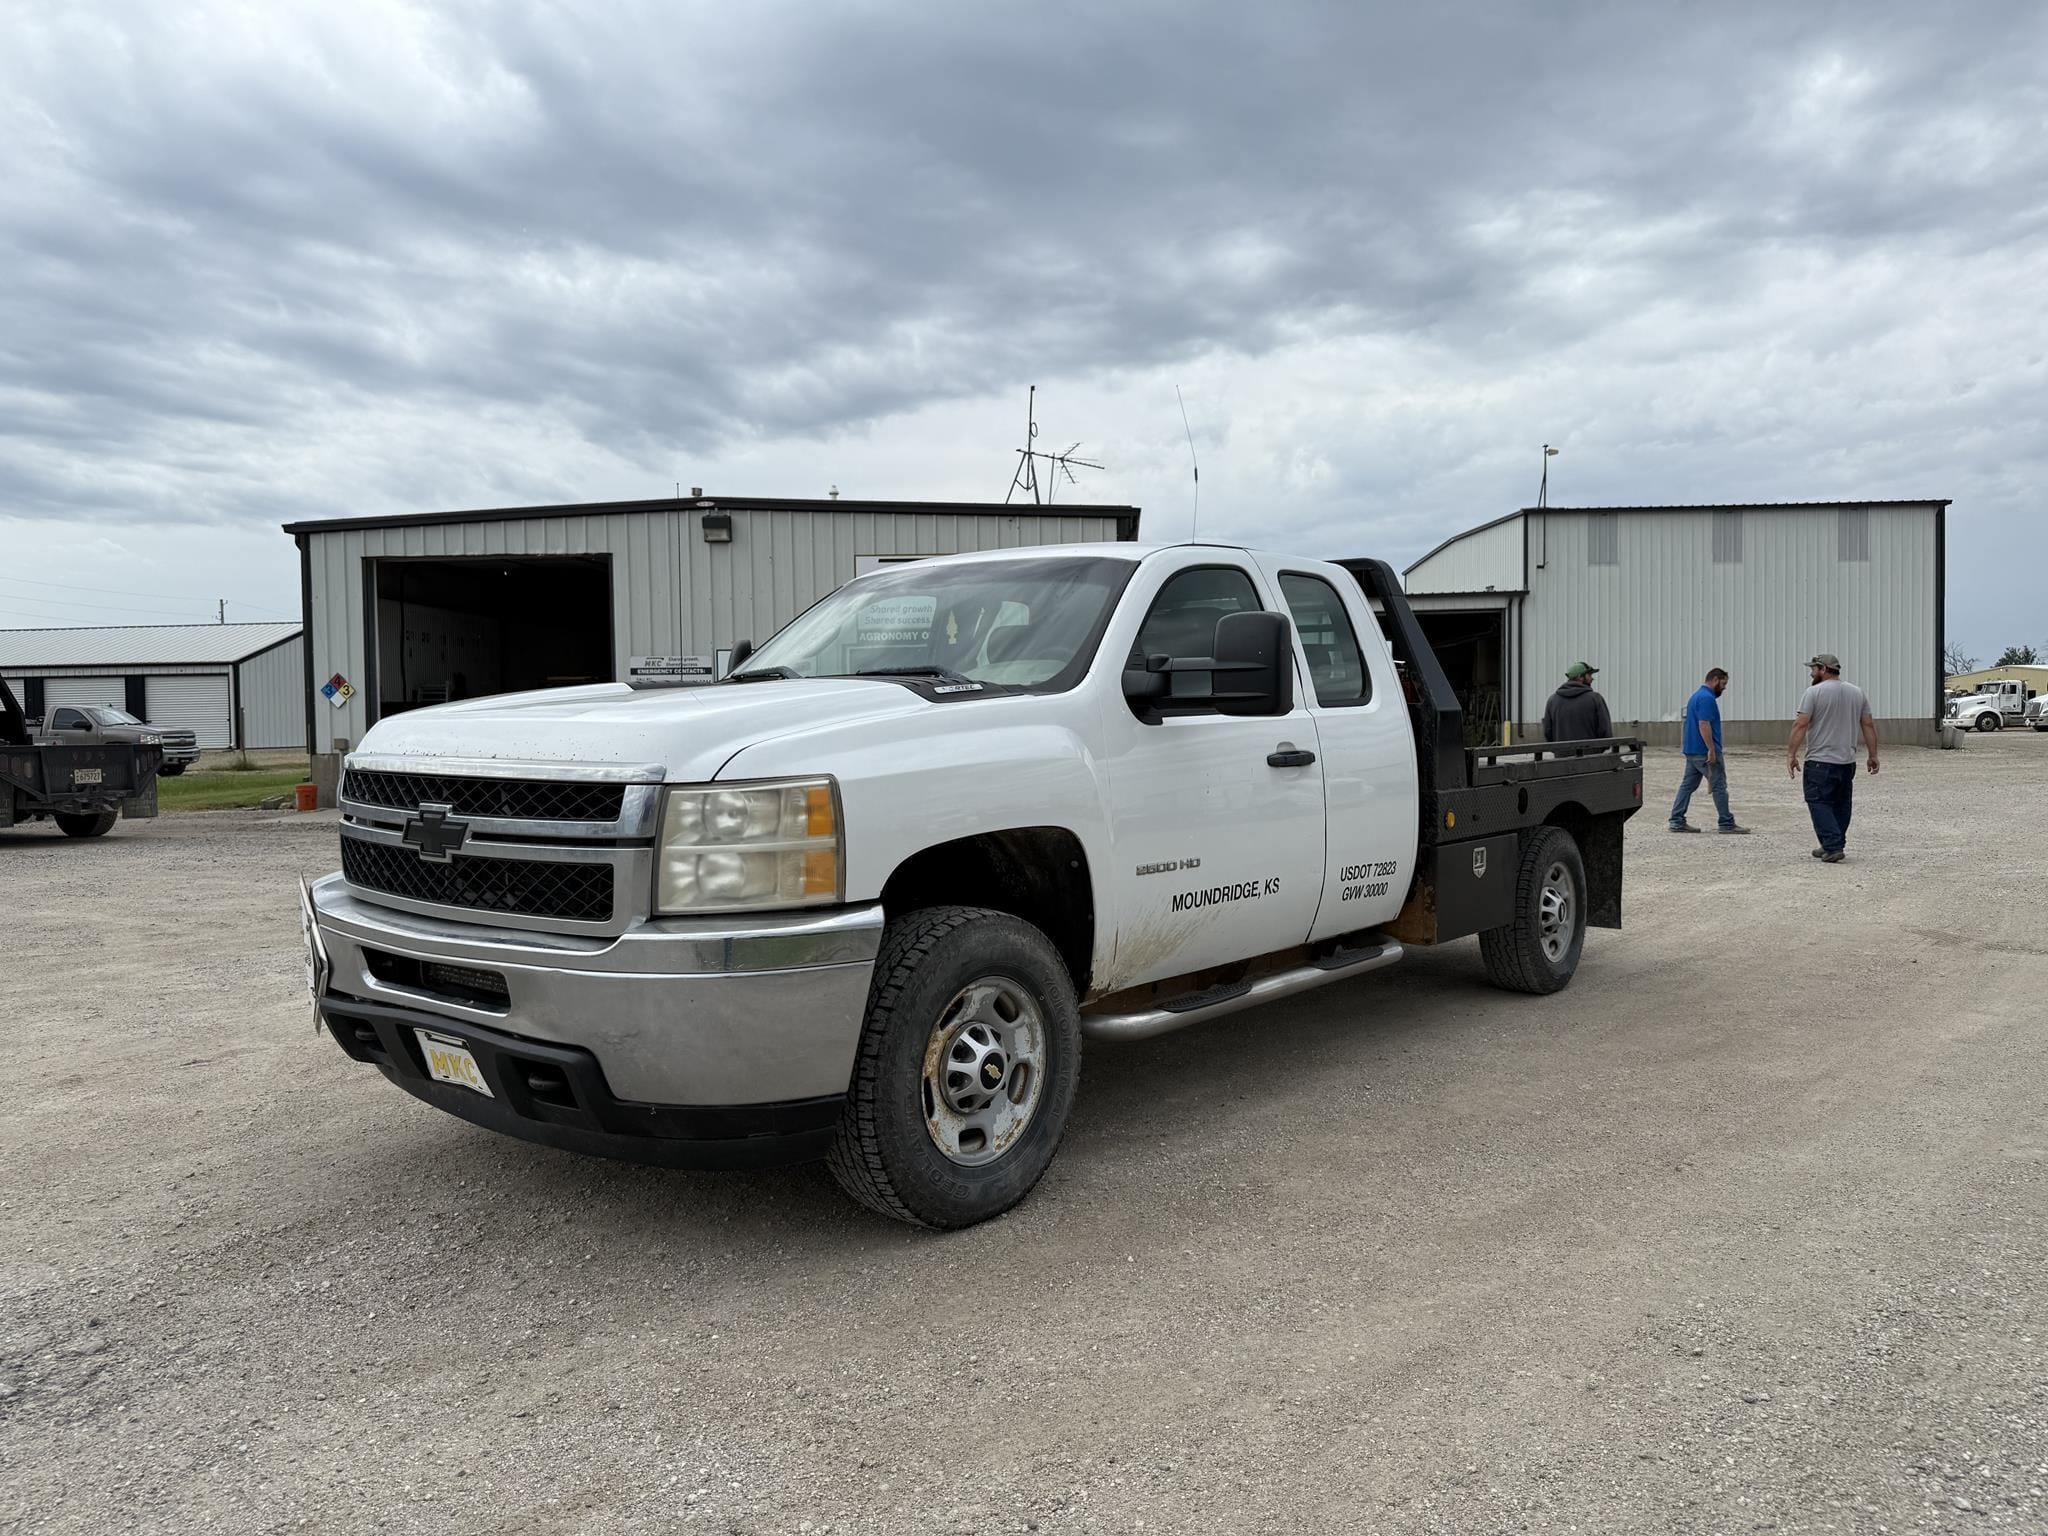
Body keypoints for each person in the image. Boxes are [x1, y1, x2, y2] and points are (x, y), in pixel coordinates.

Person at [1787, 653, 1879, 863]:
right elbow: (1868, 725)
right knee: (1840, 804)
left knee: (1818, 801)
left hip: (1820, 759)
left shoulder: (1813, 692)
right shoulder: (1857, 693)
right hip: (1847, 760)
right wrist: (1873, 755)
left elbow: (1800, 724)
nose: (1811, 672)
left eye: (1813, 669)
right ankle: (1831, 842)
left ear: (1822, 669)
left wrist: (1791, 754)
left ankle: (1833, 845)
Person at [1668, 667, 1747, 833]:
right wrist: (1711, 749)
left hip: (1692, 750)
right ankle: (1726, 823)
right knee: (1719, 785)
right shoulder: (1706, 699)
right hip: (1704, 751)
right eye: (1723, 683)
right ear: (1716, 680)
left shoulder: (1696, 696)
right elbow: (1704, 724)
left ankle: (1676, 820)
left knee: (1688, 785)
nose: (1724, 688)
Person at [1543, 661, 1612, 742]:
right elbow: (1604, 729)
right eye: (1589, 675)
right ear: (1580, 677)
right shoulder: (1595, 699)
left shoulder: (1552, 700)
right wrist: (1598, 749)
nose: (1592, 678)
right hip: (1591, 753)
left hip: (1562, 753)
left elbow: (1547, 731)